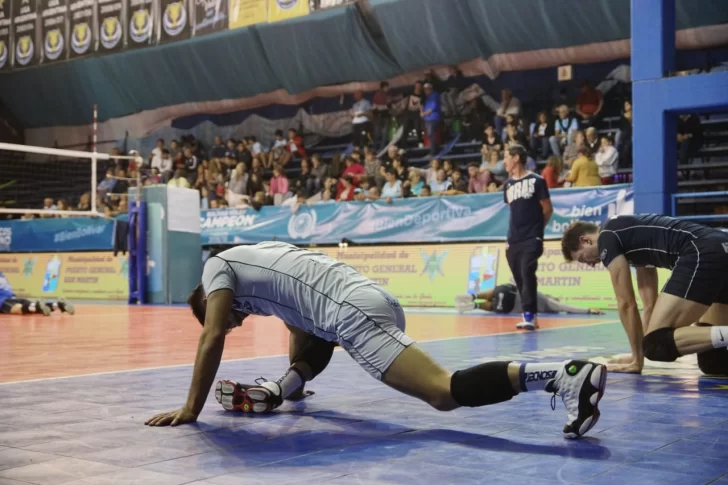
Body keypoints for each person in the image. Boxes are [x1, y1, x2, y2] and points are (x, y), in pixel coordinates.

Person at [145, 242, 607, 438]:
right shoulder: (260, 262)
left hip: (353, 314)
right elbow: (304, 329)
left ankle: (564, 376)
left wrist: (191, 409)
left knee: (443, 393)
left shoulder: (216, 269)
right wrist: (293, 385)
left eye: (227, 318)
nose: (234, 324)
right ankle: (281, 387)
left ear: (209, 300)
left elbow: (210, 341)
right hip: (371, 298)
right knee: (316, 339)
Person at [561, 214, 728, 375]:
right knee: (713, 363)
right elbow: (649, 304)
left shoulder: (607, 236)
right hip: (721, 245)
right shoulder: (631, 236)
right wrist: (639, 354)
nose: (590, 265)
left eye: (583, 258)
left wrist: (637, 361)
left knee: (657, 344)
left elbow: (627, 304)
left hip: (702, 251)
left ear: (585, 240)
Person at [502, 145, 553, 330]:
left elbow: (547, 208)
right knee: (519, 278)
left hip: (532, 237)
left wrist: (538, 230)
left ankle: (530, 315)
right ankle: (529, 316)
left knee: (527, 271)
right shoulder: (507, 185)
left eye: (506, 157)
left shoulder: (537, 181)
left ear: (516, 158)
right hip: (513, 239)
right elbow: (512, 211)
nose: (504, 161)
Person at [455, 284, 603, 315]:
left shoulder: (546, 300)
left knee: (499, 291)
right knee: (494, 305)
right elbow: (566, 309)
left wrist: (587, 310)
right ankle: (474, 305)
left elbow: (565, 307)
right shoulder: (542, 307)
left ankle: (474, 295)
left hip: (511, 294)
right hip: (508, 309)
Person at [0, 272, 74, 316]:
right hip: (13, 297)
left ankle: (38, 306)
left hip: (3, 301)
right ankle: (58, 305)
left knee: (19, 309)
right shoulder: (1, 274)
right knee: (33, 307)